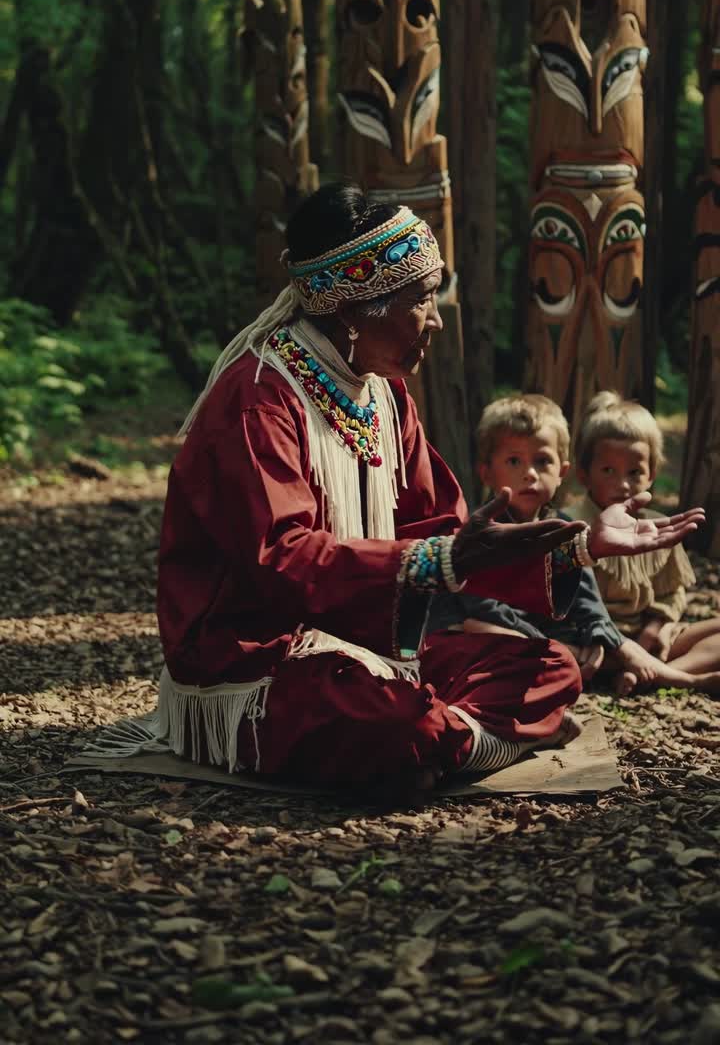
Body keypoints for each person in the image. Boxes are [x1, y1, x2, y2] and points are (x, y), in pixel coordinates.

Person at [89, 184, 704, 791]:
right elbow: (279, 558)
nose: (435, 319)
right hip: (256, 663)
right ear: (355, 308)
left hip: (368, 647)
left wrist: (579, 547)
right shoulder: (258, 400)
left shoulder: (382, 394)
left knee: (550, 665)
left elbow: (444, 536)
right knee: (391, 725)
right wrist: (436, 560)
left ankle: (443, 742)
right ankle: (451, 738)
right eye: (422, 299)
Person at [429, 394, 699, 692]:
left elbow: (586, 597)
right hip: (496, 635)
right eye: (514, 461)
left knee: (591, 645)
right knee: (488, 632)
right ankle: (620, 667)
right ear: (487, 473)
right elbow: (485, 610)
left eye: (542, 461)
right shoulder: (481, 530)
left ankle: (620, 662)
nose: (530, 474)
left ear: (562, 472)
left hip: (548, 636)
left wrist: (609, 638)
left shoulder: (561, 528)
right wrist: (550, 645)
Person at [575, 391, 720, 694]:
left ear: (652, 474)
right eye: (608, 471)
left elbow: (672, 592)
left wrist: (657, 627)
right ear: (584, 474)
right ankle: (653, 674)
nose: (623, 484)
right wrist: (620, 644)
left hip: (647, 636)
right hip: (597, 643)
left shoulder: (657, 527)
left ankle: (649, 675)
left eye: (634, 472)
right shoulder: (573, 526)